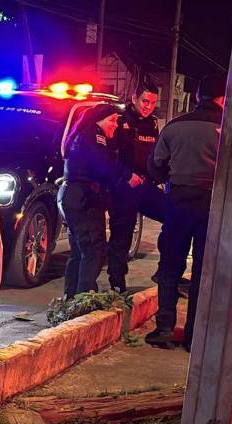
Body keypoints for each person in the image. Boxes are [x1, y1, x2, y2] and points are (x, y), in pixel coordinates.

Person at [144, 75, 225, 350]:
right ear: (224, 98)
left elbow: (154, 165)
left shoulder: (176, 126)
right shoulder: (231, 127)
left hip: (178, 201)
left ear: (198, 96)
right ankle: (195, 337)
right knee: (205, 271)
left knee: (170, 266)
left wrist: (173, 176)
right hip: (216, 206)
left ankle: (165, 328)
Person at [58, 104, 143, 299]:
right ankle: (84, 301)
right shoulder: (94, 136)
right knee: (93, 251)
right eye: (112, 120)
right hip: (83, 199)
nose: (116, 125)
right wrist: (127, 175)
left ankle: (70, 298)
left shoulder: (82, 134)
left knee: (79, 251)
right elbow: (102, 163)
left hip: (71, 197)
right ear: (99, 120)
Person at [109, 82, 168, 292]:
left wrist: (162, 179)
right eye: (145, 101)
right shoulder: (120, 120)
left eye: (152, 103)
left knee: (174, 218)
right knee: (122, 236)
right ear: (134, 98)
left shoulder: (153, 124)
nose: (148, 106)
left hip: (146, 184)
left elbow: (156, 156)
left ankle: (166, 272)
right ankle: (117, 283)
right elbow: (108, 156)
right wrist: (126, 175)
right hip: (123, 187)